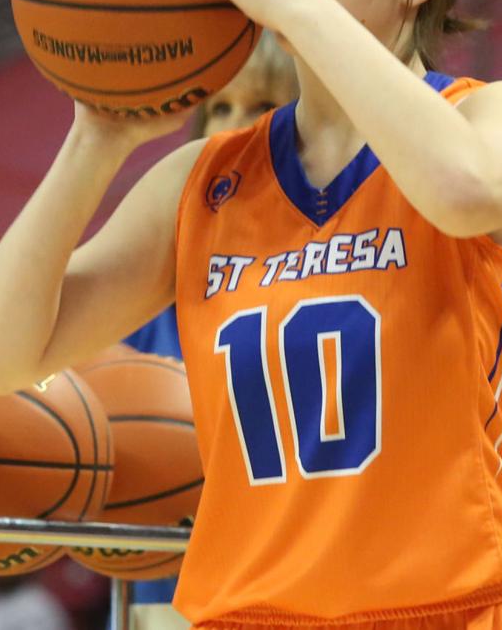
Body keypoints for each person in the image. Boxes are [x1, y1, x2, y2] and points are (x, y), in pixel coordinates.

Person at [0, 0, 502, 629]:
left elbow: (465, 193)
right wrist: (94, 140)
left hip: (461, 607)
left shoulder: (497, 115)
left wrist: (289, 3)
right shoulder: (200, 180)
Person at [121, 32, 298, 630]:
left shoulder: (361, 263)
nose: (233, 128)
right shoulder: (149, 293)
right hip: (167, 596)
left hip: (313, 587)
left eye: (262, 105)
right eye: (219, 108)